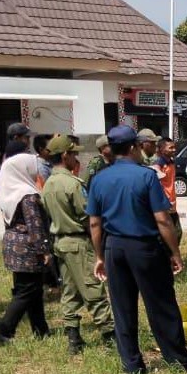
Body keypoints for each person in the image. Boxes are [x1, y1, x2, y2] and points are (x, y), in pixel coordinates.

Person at [86, 125, 187, 374]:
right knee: (161, 304)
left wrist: (100, 255)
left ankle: (133, 365)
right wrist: (175, 253)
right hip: (144, 247)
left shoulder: (99, 179)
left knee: (123, 308)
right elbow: (162, 219)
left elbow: (94, 222)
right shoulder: (145, 176)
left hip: (115, 248)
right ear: (134, 147)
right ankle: (176, 359)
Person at [40, 135, 115, 355]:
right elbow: (87, 215)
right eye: (73, 153)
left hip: (60, 243)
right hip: (79, 242)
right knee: (93, 288)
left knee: (70, 291)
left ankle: (73, 337)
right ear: (65, 155)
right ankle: (110, 336)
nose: (76, 157)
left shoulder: (49, 184)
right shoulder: (72, 184)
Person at [0, 153, 51, 342]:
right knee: (26, 291)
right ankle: (4, 330)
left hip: (13, 246)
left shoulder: (10, 193)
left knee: (33, 290)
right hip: (27, 249)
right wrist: (43, 250)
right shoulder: (27, 195)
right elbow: (35, 225)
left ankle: (40, 330)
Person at [151, 138, 182, 242]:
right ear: (162, 149)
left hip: (172, 203)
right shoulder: (159, 163)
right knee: (170, 233)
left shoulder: (171, 162)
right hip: (165, 203)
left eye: (174, 147)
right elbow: (155, 174)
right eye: (171, 147)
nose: (174, 150)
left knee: (176, 233)